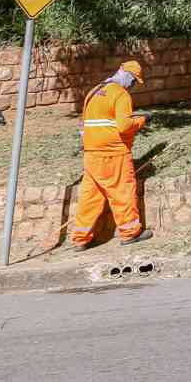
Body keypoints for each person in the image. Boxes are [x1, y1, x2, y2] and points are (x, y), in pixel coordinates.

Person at [71, 59, 151, 249]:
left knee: (90, 196)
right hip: (114, 154)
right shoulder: (120, 94)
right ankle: (130, 233)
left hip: (91, 154)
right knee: (122, 191)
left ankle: (80, 239)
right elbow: (124, 127)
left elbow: (83, 125)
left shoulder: (94, 91)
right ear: (128, 77)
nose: (132, 86)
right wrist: (143, 119)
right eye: (134, 82)